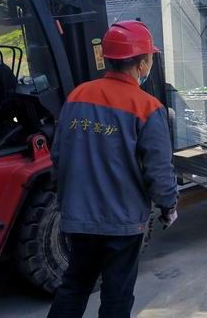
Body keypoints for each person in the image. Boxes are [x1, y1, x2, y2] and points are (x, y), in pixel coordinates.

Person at [48, 21, 178, 318]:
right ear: (142, 64)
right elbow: (159, 170)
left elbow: (59, 156)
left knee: (74, 286)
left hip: (79, 218)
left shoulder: (77, 96)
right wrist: (168, 205)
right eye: (150, 58)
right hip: (122, 222)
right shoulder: (148, 107)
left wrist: (67, 201)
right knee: (117, 294)